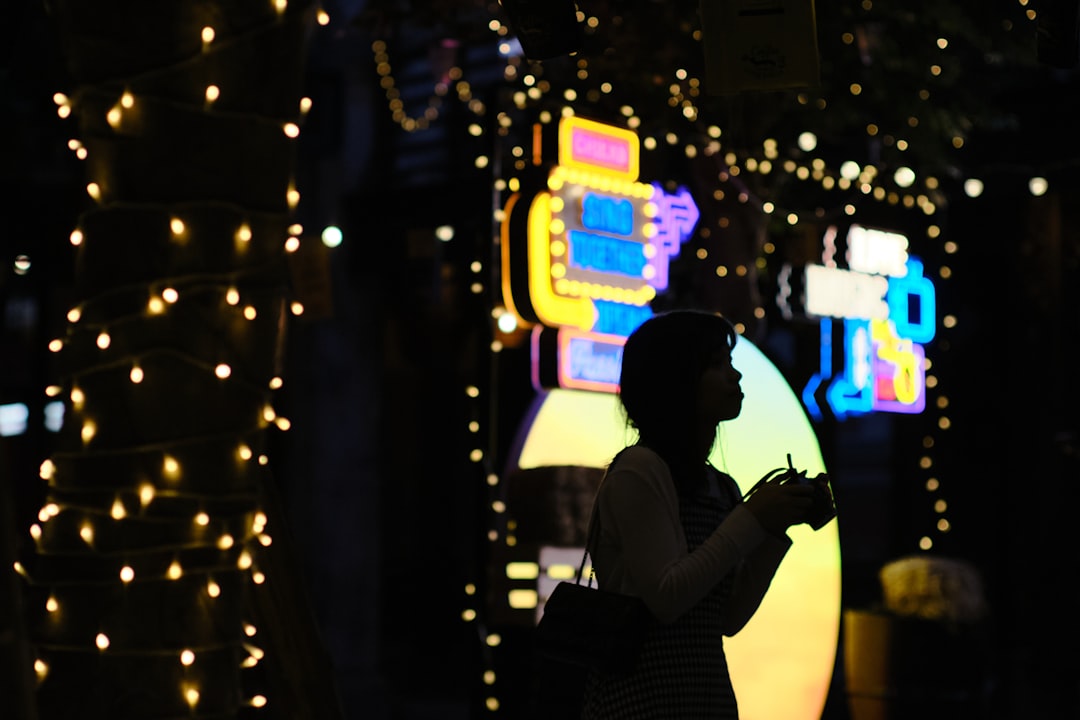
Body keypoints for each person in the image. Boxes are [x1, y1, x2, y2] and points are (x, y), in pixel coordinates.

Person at [580, 309, 821, 719]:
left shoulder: (719, 485)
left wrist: (773, 528)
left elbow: (727, 617)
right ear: (676, 379)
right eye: (716, 364)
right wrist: (753, 518)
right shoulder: (639, 469)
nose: (735, 375)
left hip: (703, 703)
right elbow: (667, 597)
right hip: (640, 705)